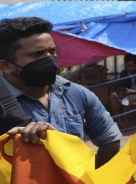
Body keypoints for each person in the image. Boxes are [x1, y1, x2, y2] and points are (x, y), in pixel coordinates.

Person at [0, 17, 122, 167]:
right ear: (6, 66)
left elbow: (110, 140)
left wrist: (91, 182)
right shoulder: (3, 103)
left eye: (52, 51)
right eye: (37, 54)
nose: (49, 59)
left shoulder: (77, 94)